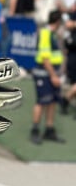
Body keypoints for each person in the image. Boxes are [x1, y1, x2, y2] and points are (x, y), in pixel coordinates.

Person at [30, 10, 65, 144]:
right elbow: (45, 58)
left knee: (52, 101)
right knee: (42, 101)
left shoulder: (53, 34)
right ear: (58, 22)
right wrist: (53, 76)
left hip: (52, 74)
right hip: (44, 74)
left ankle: (49, 130)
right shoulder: (45, 34)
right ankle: (35, 130)